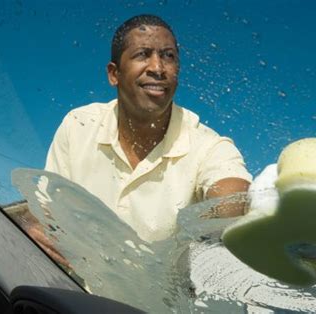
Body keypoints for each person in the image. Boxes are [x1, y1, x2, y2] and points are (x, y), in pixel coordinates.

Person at [44, 14, 252, 243]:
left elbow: (232, 195)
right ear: (114, 74)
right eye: (143, 54)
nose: (158, 67)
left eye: (168, 56)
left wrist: (223, 218)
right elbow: (47, 210)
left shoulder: (206, 144)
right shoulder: (78, 126)